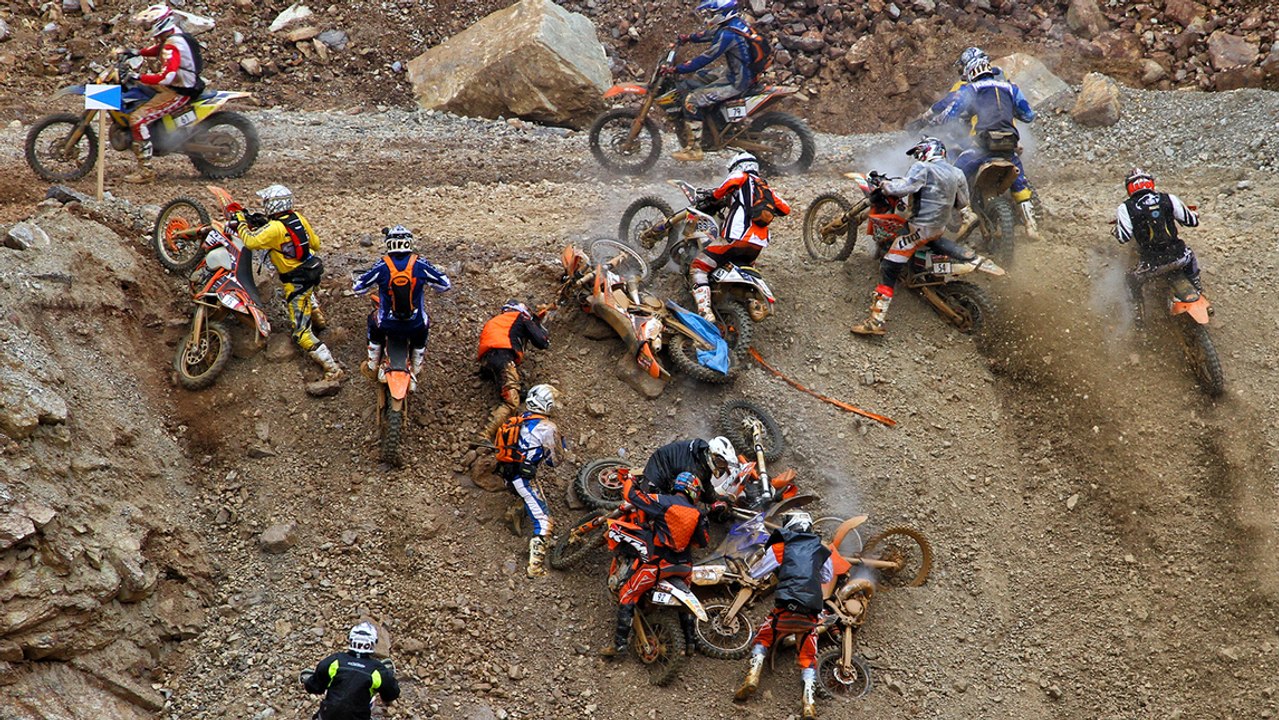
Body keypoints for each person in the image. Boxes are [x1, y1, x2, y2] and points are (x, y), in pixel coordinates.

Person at [851, 137, 969, 336]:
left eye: (919, 153)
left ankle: (875, 321)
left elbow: (903, 189)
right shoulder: (957, 173)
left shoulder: (922, 168)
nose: (917, 157)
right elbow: (962, 202)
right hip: (938, 228)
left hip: (919, 229)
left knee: (888, 267)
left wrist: (884, 184)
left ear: (927, 151)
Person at [231, 185, 344, 381]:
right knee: (309, 296)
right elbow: (315, 244)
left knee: (301, 334)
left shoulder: (274, 229)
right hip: (312, 272)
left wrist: (241, 222)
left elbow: (249, 241)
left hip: (296, 282)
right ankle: (319, 319)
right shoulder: (298, 218)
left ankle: (332, 369)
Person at [733, 511, 832, 720]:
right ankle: (809, 703)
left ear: (791, 527)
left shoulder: (781, 546)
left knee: (763, 637)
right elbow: (827, 576)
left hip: (785, 609)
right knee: (807, 656)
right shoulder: (821, 550)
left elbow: (758, 572)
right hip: (809, 615)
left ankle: (753, 676)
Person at [600, 471, 710, 658]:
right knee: (685, 601)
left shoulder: (662, 501)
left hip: (659, 565)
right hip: (685, 569)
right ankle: (690, 643)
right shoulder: (697, 513)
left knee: (627, 594)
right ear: (692, 491)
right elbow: (702, 542)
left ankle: (619, 646)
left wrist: (629, 480)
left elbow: (633, 497)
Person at [932, 53, 1041, 239]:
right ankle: (1032, 226)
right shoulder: (1011, 88)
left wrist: (937, 122)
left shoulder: (971, 89)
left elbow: (950, 113)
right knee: (1020, 181)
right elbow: (1029, 116)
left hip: (983, 148)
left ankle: (964, 217)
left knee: (955, 175)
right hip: (1009, 147)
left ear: (970, 69)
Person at [688, 152, 790, 323]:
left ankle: (704, 310)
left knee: (698, 266)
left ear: (738, 165)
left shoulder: (741, 177)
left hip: (737, 237)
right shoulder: (766, 188)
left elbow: (731, 182)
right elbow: (786, 209)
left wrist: (714, 196)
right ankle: (751, 301)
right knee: (732, 265)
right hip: (756, 246)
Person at [352, 226, 452, 391]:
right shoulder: (420, 264)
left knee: (372, 320)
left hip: (387, 324)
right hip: (415, 325)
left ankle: (372, 364)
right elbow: (445, 285)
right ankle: (417, 365)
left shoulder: (382, 265)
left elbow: (358, 288)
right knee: (425, 323)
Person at [666, 0, 761, 161]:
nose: (709, 17)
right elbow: (710, 35)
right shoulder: (735, 24)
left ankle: (694, 150)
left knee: (691, 100)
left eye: (711, 14)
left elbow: (705, 58)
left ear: (721, 13)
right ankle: (711, 121)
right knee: (700, 77)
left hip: (737, 81)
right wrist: (688, 38)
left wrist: (677, 69)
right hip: (738, 72)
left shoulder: (728, 35)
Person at [123, 4, 205, 184]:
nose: (145, 28)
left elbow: (166, 77)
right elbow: (158, 49)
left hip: (179, 90)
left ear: (159, 23)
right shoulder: (172, 34)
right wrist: (135, 53)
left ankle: (146, 172)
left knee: (137, 119)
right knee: (136, 88)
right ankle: (155, 132)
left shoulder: (172, 45)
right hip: (181, 84)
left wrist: (139, 75)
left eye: (148, 24)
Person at [1113, 168, 1202, 323]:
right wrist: (1193, 214)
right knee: (1190, 256)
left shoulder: (1125, 208)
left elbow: (1123, 237)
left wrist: (1116, 230)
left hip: (1151, 265)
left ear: (1129, 187)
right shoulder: (1168, 198)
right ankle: (1198, 289)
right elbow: (1192, 222)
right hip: (1181, 257)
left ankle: (1139, 319)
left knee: (1130, 279)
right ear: (1150, 183)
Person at [494, 384, 563, 578]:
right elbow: (554, 461)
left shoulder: (520, 418)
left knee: (527, 496)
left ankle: (513, 513)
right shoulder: (547, 427)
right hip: (523, 477)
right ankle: (535, 569)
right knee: (544, 521)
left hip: (507, 472)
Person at [476, 301, 551, 440]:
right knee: (512, 403)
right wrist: (537, 325)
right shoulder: (520, 317)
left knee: (513, 390)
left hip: (487, 361)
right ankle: (484, 435)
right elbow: (541, 342)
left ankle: (516, 392)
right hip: (503, 358)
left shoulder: (496, 321)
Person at [302, 622, 400, 720]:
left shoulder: (334, 661)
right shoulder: (377, 670)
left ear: (351, 640)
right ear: (372, 643)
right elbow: (391, 694)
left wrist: (309, 682)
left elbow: (313, 687)